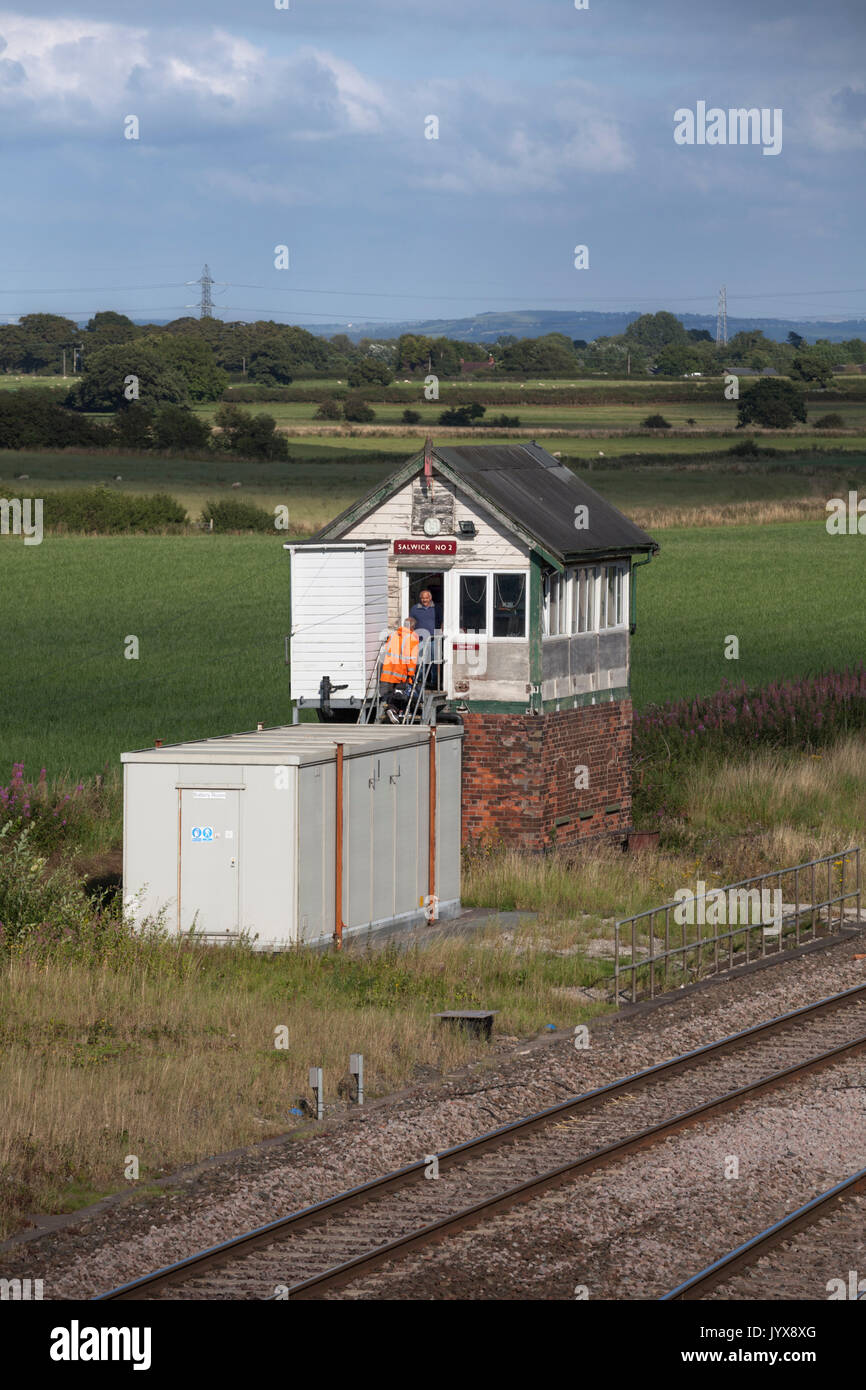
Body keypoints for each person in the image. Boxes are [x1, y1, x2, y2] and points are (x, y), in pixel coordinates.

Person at [379, 616, 419, 722]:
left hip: (388, 670)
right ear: (413, 627)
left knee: (393, 693)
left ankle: (394, 711)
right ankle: (396, 710)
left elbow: (386, 650)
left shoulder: (393, 635)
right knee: (402, 693)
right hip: (401, 672)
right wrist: (411, 673)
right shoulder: (412, 638)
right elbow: (411, 659)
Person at [409, 588, 441, 689]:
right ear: (420, 599)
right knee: (420, 661)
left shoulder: (437, 608)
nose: (424, 600)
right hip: (420, 640)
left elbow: (442, 622)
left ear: (430, 598)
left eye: (426, 598)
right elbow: (410, 622)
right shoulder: (415, 608)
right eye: (422, 598)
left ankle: (434, 682)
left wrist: (440, 635)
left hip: (434, 639)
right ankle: (420, 682)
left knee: (435, 661)